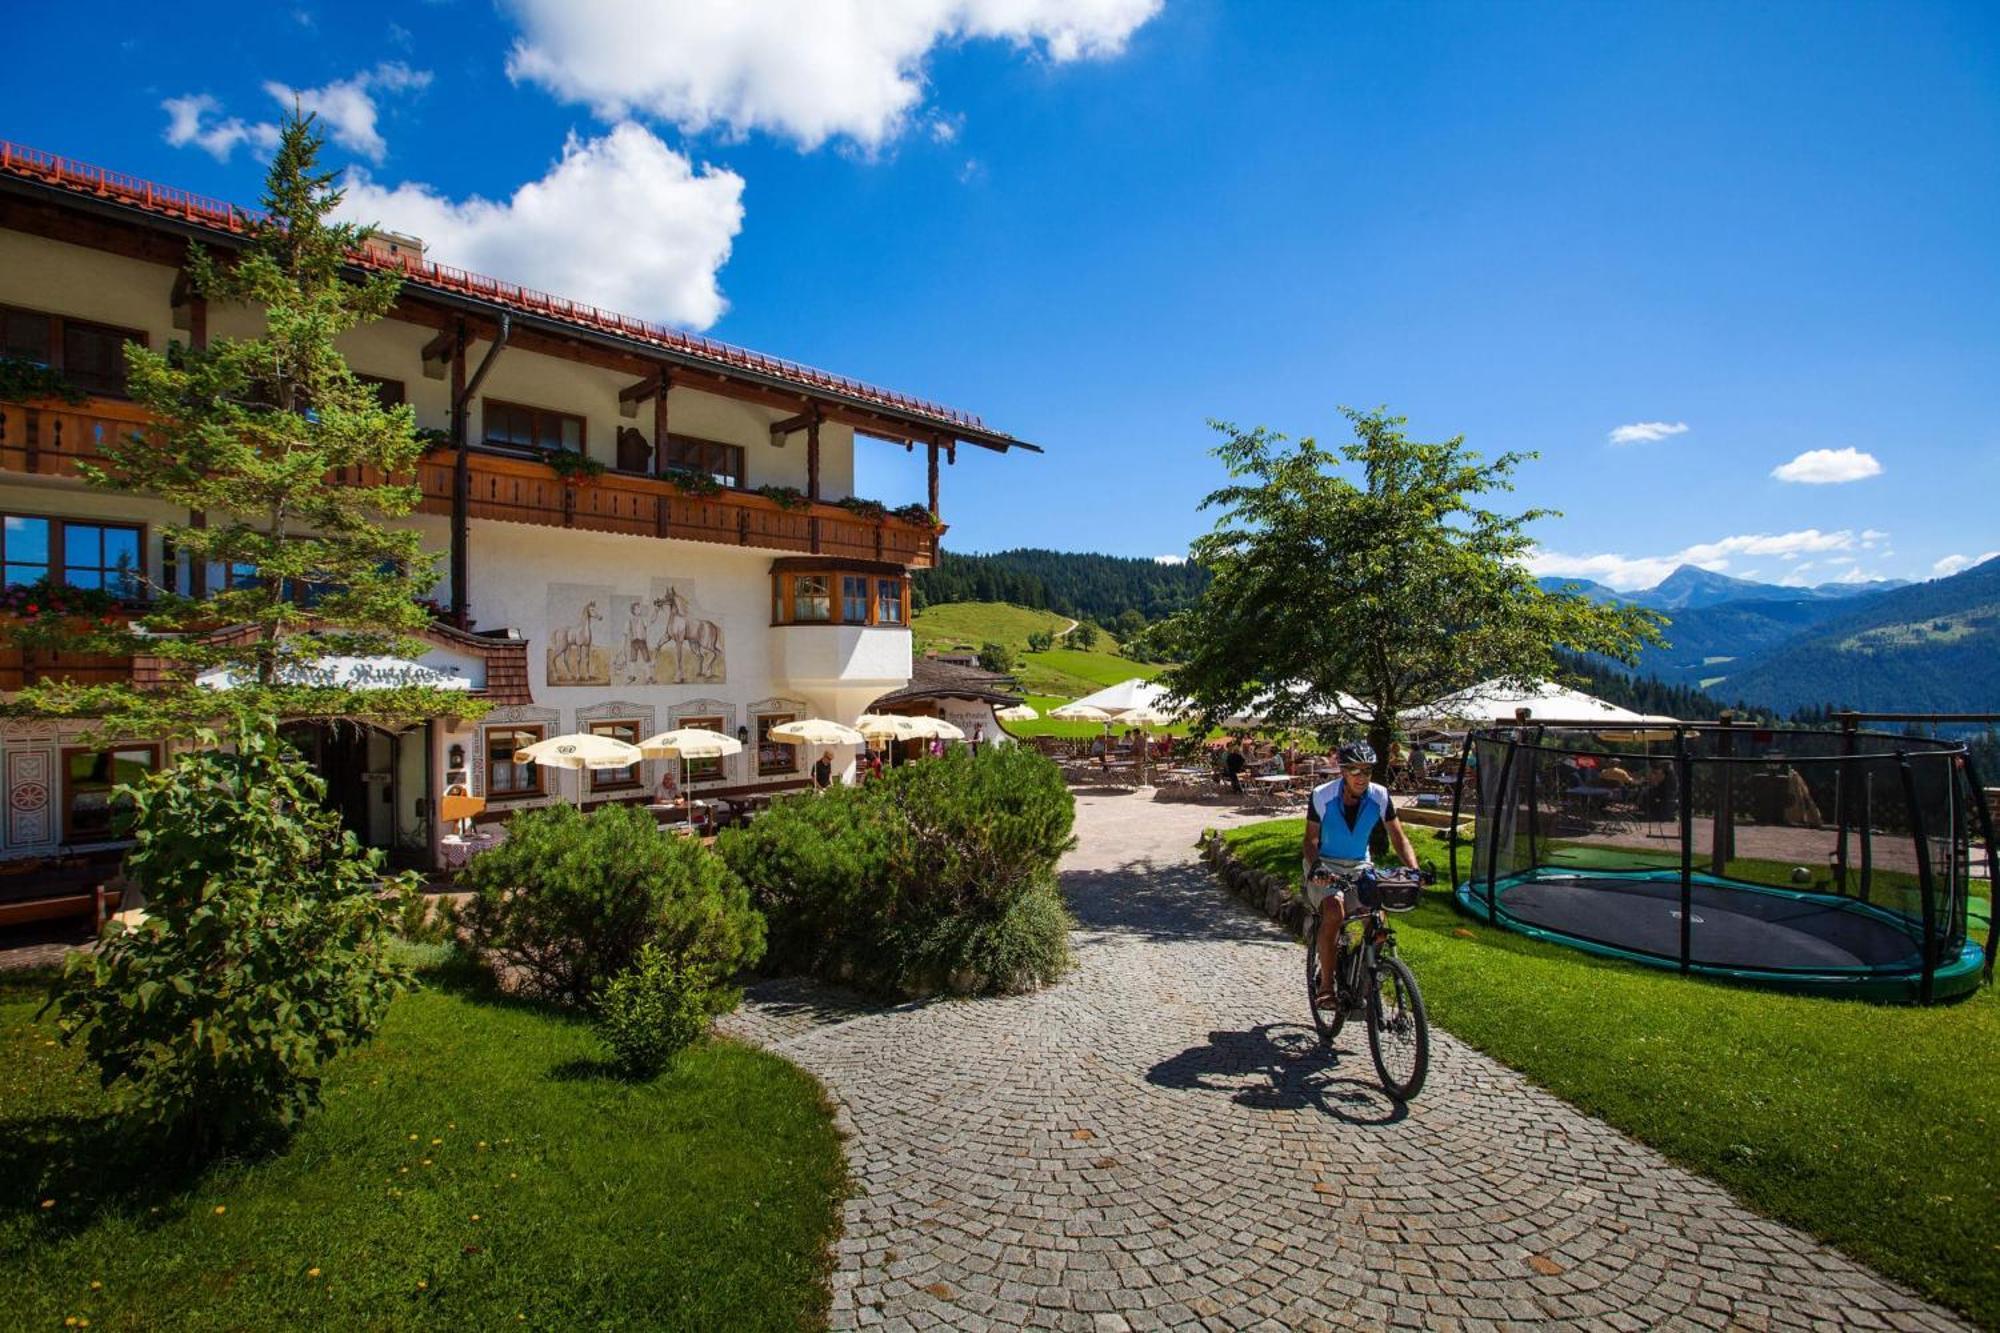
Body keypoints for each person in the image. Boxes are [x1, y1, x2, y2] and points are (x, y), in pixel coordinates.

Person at [1301, 742, 1421, 1008]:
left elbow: (1399, 838)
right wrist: (1318, 867)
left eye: (1367, 770)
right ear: (1343, 771)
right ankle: (1326, 987)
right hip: (1325, 864)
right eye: (1355, 770)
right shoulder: (1322, 795)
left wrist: (1414, 871)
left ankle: (1363, 975)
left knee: (1377, 920)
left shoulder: (1380, 795)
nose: (1362, 777)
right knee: (1334, 911)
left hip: (1359, 865)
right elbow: (1310, 840)